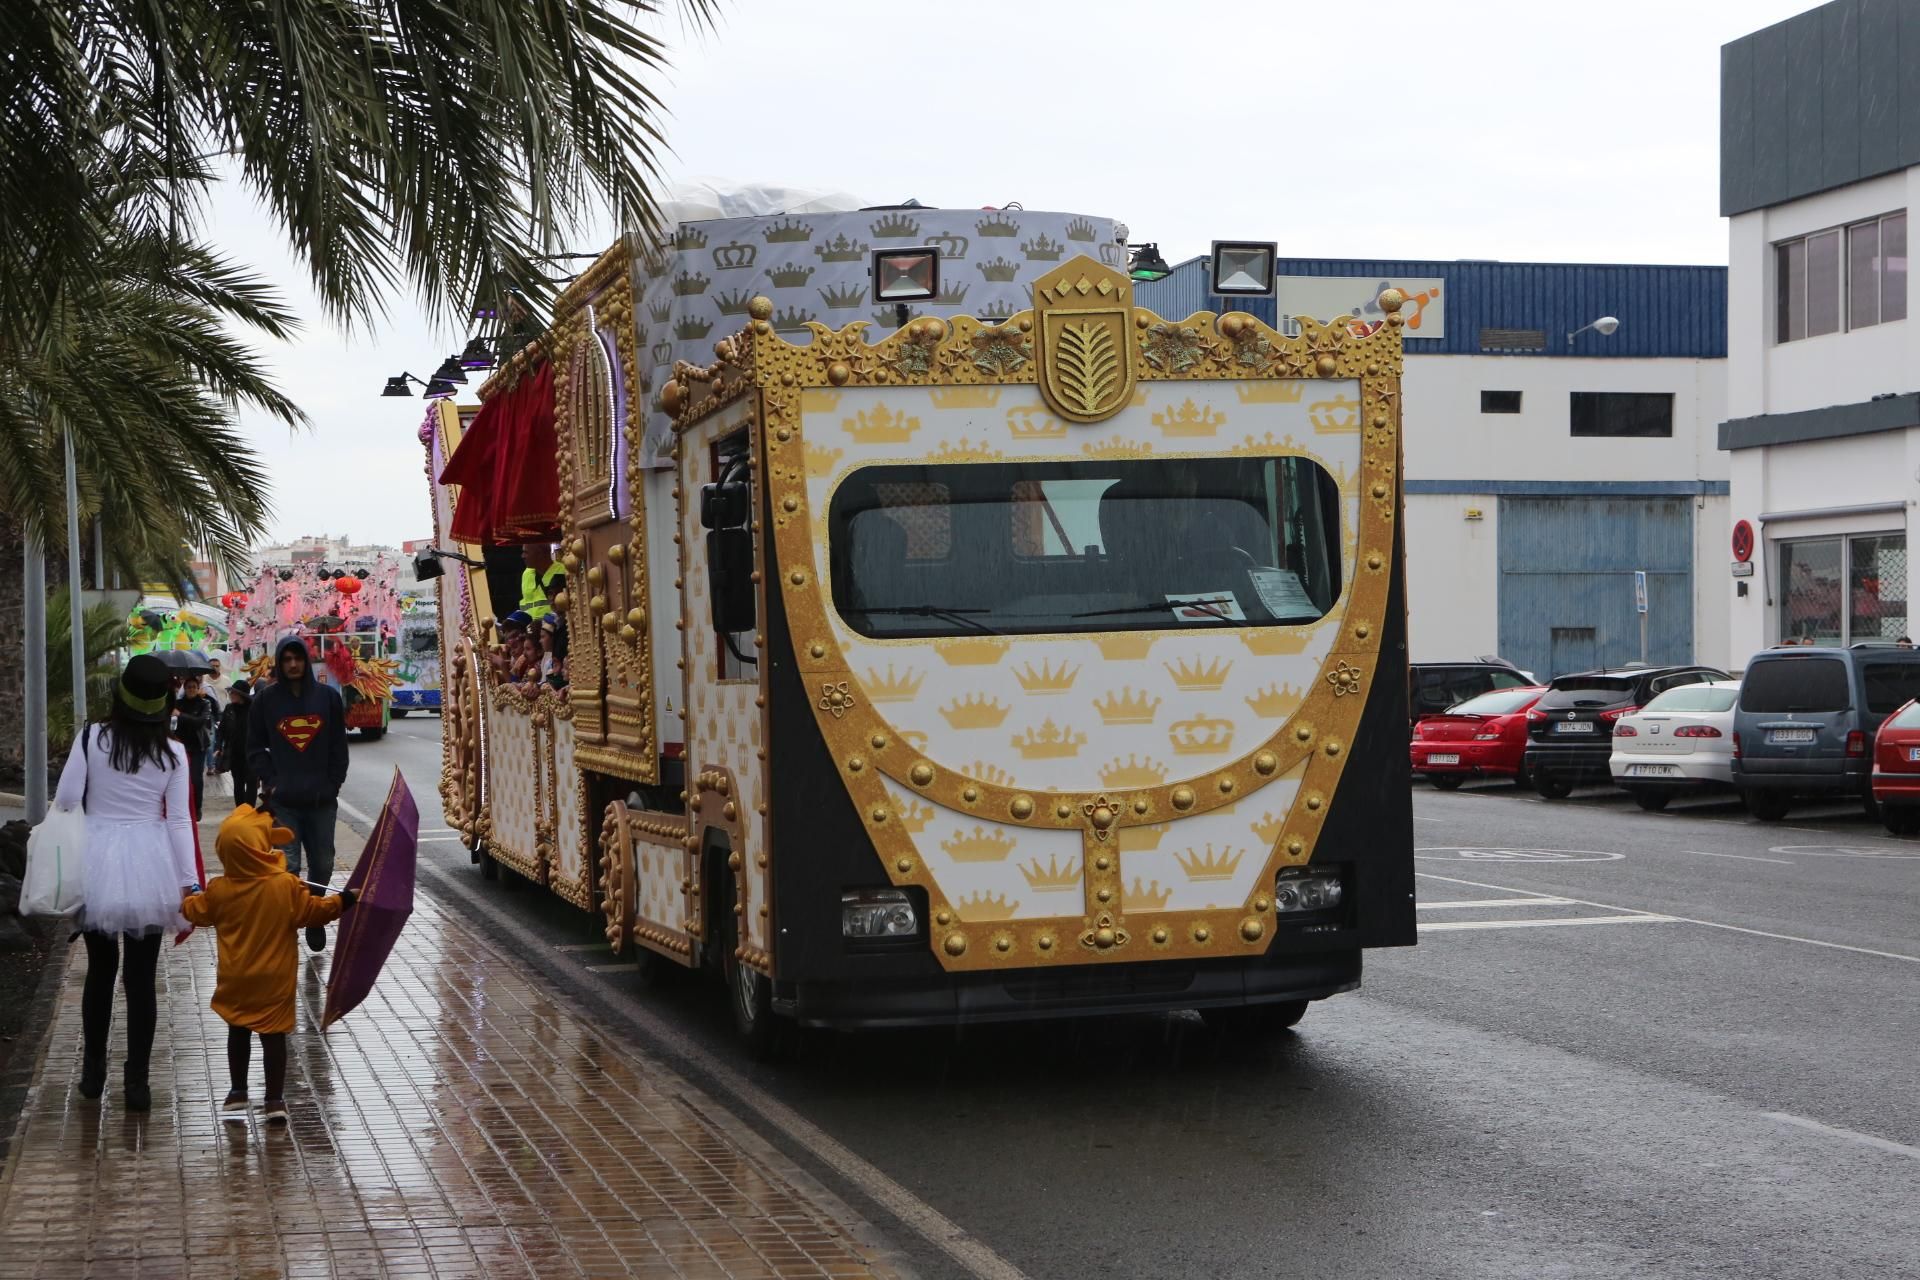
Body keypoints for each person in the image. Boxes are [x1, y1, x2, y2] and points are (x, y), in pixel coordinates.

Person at [52, 654, 201, 1111]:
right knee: (142, 978)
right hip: (150, 864)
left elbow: (66, 799)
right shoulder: (173, 752)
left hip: (96, 860)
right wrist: (190, 884)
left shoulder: (91, 738)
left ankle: (92, 1072)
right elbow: (179, 821)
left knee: (100, 972)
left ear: (120, 695)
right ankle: (137, 1082)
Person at [181, 805, 352, 1125]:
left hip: (236, 978)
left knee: (238, 1030)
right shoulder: (284, 886)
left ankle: (237, 1091)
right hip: (275, 979)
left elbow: (195, 911)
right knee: (273, 1037)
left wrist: (190, 895)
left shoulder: (220, 890)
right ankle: (274, 1099)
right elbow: (315, 911)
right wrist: (343, 900)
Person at [247, 637, 349, 954]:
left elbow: (338, 746)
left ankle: (314, 914)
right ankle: (291, 921)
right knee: (286, 868)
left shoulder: (328, 698)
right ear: (280, 663)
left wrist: (333, 783)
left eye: (298, 658)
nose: (293, 664)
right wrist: (272, 782)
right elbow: (254, 747)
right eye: (287, 659)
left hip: (321, 802)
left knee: (323, 864)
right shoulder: (265, 701)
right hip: (283, 804)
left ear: (306, 661)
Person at [171, 672, 218, 820]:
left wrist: (181, 715)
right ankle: (183, 806)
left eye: (194, 687)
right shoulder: (178, 704)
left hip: (198, 746)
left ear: (198, 689)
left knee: (196, 778)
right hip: (180, 746)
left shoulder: (205, 704)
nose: (191, 689)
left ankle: (197, 808)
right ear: (184, 688)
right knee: (181, 779)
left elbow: (199, 722)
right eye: (188, 687)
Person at [218, 680, 257, 808]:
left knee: (251, 782)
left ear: (242, 695)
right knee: (238, 783)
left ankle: (249, 812)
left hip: (252, 753)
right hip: (235, 753)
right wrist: (219, 747)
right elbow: (222, 729)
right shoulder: (229, 709)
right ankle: (240, 812)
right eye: (231, 692)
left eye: (234, 692)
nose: (231, 694)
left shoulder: (254, 708)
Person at [518, 543, 566, 620]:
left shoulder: (562, 571)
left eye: (526, 552)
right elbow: (526, 604)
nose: (522, 556)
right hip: (530, 625)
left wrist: (544, 623)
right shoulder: (526, 574)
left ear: (540, 554)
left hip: (554, 625)